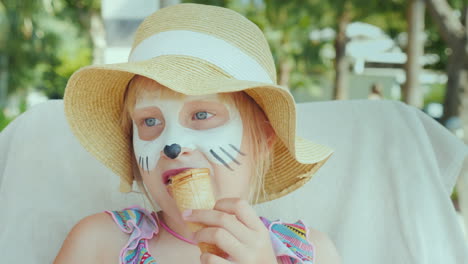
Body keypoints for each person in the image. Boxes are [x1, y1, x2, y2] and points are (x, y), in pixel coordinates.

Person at [54, 3, 340, 264]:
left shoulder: (313, 252)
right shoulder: (97, 243)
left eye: (202, 115)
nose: (172, 146)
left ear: (264, 141)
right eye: (150, 121)